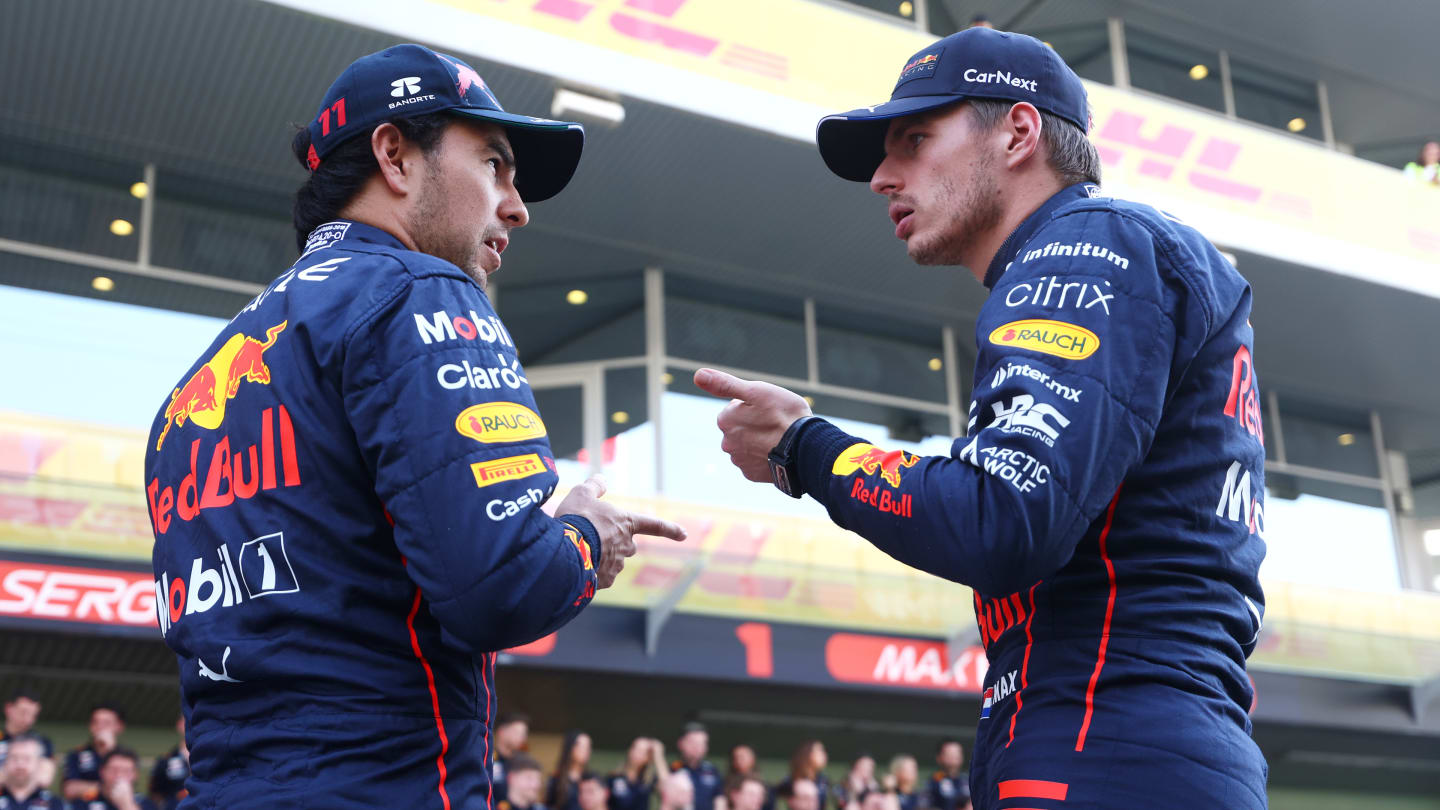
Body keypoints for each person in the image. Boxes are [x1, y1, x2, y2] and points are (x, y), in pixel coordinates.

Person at [697, 25, 1267, 810]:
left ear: (1018, 133)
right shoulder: (1117, 254)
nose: (882, 177)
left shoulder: (1086, 247)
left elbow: (1002, 515)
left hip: (1106, 742)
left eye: (914, 139)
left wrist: (805, 447)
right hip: (1139, 738)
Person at [143, 43, 685, 809]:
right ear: (395, 156)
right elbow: (505, 585)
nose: (518, 205)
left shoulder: (191, 392)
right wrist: (585, 534)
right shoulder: (420, 291)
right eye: (495, 162)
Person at [61, 706, 124, 802]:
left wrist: (110, 751)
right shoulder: (76, 754)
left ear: (119, 726)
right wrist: (104, 789)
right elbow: (69, 790)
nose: (100, 727)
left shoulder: (126, 757)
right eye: (95, 722)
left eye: (106, 723)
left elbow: (126, 788)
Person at [0, 691, 54, 790]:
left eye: (33, 715)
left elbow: (44, 779)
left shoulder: (42, 742)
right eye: (23, 712)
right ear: (8, 709)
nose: (28, 720)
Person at [76, 749, 158, 810]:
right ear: (102, 771)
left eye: (126, 771)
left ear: (135, 775)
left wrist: (126, 804)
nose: (119, 776)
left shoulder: (145, 803)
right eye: (113, 770)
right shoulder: (85, 800)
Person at [0, 735, 62, 810]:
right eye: (14, 758)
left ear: (39, 763)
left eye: (27, 758)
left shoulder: (55, 804)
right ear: (5, 762)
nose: (20, 764)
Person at [670, 723, 720, 810]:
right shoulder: (673, 769)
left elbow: (719, 800)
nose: (697, 747)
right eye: (692, 742)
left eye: (701, 743)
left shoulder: (712, 770)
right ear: (680, 744)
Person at [608, 737, 666, 810]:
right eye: (635, 748)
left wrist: (658, 756)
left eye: (642, 751)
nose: (636, 752)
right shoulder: (614, 777)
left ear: (649, 758)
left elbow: (667, 789)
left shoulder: (648, 780)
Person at [146, 716, 188, 810]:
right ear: (180, 725)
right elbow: (155, 795)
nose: (194, 726)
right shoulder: (165, 762)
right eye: (189, 721)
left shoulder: (216, 760)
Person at [774, 741, 829, 810]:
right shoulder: (793, 780)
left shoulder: (823, 780)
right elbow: (774, 794)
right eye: (820, 751)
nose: (825, 755)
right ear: (808, 754)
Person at [547, 731, 595, 810]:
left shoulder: (591, 778)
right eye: (581, 746)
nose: (586, 750)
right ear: (570, 748)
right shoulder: (556, 779)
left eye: (588, 747)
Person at [493, 712, 532, 805]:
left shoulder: (523, 762)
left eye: (524, 733)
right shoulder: (487, 758)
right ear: (501, 731)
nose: (522, 737)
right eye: (517, 732)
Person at [923, 742, 968, 810]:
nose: (954, 757)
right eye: (950, 754)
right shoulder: (934, 781)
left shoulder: (968, 780)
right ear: (940, 757)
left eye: (957, 753)